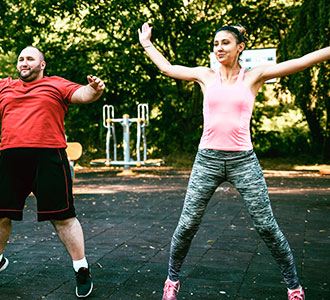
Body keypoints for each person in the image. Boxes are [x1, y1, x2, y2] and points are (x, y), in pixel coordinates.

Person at [138, 22, 330, 300]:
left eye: (225, 43)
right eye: (215, 43)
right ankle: (172, 281)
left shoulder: (253, 77)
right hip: (207, 160)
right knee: (187, 225)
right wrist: (146, 43)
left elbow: (300, 62)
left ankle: (294, 287)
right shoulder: (205, 76)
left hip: (243, 161)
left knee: (266, 226)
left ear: (240, 47)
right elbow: (168, 68)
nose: (219, 48)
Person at [0, 46, 104, 298]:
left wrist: (94, 89)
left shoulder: (56, 85)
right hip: (11, 157)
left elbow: (82, 94)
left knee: (63, 217)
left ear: (42, 65)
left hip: (49, 157)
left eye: (30, 59)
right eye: (21, 59)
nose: (24, 62)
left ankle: (81, 268)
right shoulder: (4, 86)